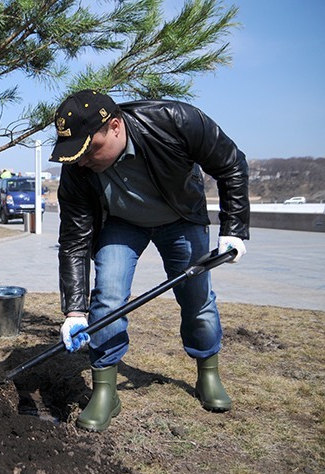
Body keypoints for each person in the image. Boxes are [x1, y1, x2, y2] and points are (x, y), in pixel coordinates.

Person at [51, 89, 249, 432]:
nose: (82, 160)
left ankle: (208, 373)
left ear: (115, 127)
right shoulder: (77, 169)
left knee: (197, 300)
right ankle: (105, 391)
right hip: (120, 222)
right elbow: (74, 242)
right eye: (75, 153)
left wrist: (233, 228)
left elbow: (231, 163)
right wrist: (74, 312)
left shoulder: (175, 121)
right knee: (108, 299)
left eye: (89, 149)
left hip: (181, 217)